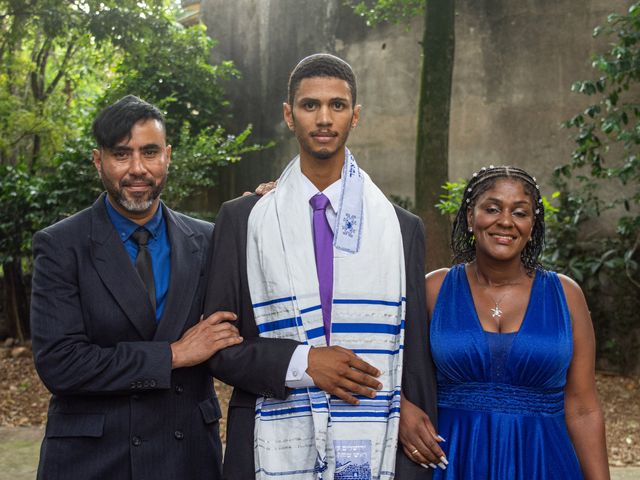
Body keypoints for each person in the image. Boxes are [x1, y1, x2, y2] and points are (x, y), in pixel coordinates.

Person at [204, 53, 437, 479]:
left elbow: (414, 350)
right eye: (310, 105)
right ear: (289, 116)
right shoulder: (245, 220)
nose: (324, 118)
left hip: (374, 433)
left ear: (356, 115)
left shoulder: (401, 228)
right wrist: (303, 362)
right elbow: (220, 348)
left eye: (338, 105)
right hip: (268, 438)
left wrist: (408, 407)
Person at [30, 95, 244, 479]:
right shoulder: (61, 245)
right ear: (98, 161)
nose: (137, 169)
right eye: (121, 155)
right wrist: (173, 355)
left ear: (168, 156)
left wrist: (271, 206)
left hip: (188, 459)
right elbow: (61, 364)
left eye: (149, 152)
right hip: (92, 462)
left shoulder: (209, 240)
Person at [400, 166, 609, 479]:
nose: (506, 221)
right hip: (453, 462)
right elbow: (391, 367)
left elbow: (583, 407)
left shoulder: (565, 295)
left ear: (532, 224)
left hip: (545, 462)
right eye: (492, 208)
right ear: (471, 217)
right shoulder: (434, 290)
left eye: (520, 212)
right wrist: (400, 410)